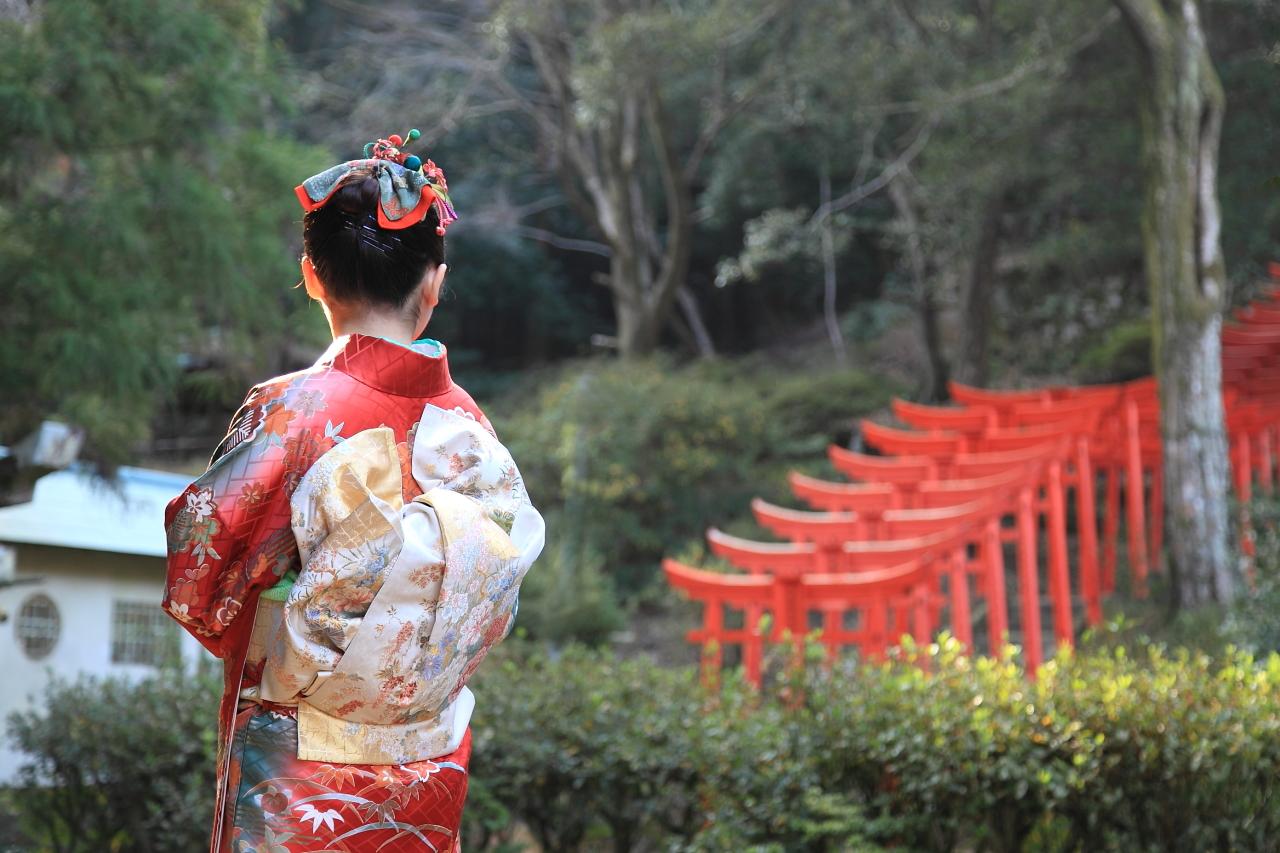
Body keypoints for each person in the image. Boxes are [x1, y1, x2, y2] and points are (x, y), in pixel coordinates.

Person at [162, 130, 544, 853]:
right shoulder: (472, 429)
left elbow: (200, 583)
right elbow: (488, 602)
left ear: (311, 275)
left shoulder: (290, 413)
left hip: (297, 769)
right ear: (434, 281)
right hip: (427, 763)